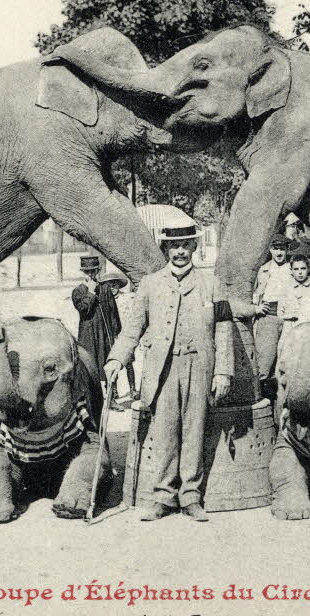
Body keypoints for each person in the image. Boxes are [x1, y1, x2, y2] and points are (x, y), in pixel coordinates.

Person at [104, 219, 233, 521]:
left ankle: (191, 497)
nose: (180, 251)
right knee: (165, 432)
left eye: (186, 245)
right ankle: (163, 496)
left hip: (199, 366)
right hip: (162, 369)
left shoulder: (212, 284)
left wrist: (223, 371)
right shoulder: (149, 285)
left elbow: (224, 330)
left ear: (194, 247)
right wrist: (115, 360)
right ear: (165, 248)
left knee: (194, 429)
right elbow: (131, 330)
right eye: (174, 246)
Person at [71, 256, 128, 401]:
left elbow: (113, 312)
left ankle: (112, 398)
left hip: (105, 333)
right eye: (87, 272)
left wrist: (117, 331)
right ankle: (92, 400)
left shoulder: (105, 289)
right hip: (88, 335)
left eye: (93, 271)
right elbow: (83, 310)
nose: (90, 275)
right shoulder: (78, 291)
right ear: (82, 272)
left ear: (98, 271)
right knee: (89, 366)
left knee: (109, 364)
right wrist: (91, 293)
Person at [253, 235, 294, 404]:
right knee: (265, 362)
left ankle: (285, 405)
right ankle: (264, 403)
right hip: (268, 316)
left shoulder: (293, 269)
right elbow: (254, 293)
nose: (279, 252)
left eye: (282, 248)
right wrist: (258, 306)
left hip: (288, 317)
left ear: (287, 250)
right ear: (270, 250)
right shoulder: (263, 269)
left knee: (287, 361)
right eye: (276, 248)